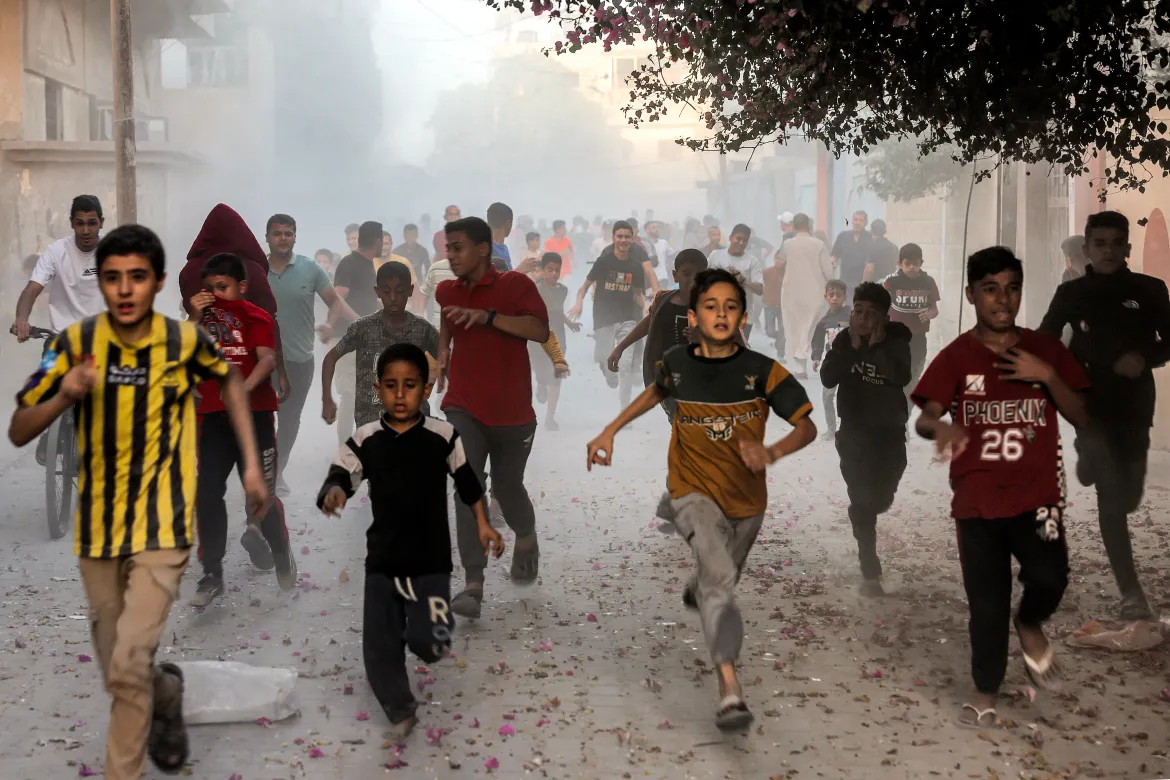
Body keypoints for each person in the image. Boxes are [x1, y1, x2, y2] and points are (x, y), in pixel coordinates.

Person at [10, 224, 270, 779]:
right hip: (99, 535)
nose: (125, 290)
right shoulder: (76, 344)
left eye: (137, 278)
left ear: (154, 285)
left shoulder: (183, 342)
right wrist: (64, 394)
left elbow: (231, 388)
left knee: (127, 662)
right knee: (118, 671)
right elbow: (18, 429)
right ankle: (166, 690)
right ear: (100, 284)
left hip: (162, 530)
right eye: (112, 278)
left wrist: (250, 468)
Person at [587, 268, 816, 730]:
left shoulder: (763, 371)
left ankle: (701, 583)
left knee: (719, 576)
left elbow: (807, 427)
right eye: (711, 306)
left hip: (748, 502)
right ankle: (729, 687)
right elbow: (657, 392)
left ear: (743, 317)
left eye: (730, 306)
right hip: (690, 491)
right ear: (693, 317)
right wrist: (610, 430)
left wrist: (770, 451)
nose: (721, 314)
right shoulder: (677, 362)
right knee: (719, 586)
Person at [913, 246, 1088, 728]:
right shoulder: (955, 357)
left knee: (1051, 577)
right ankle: (985, 688)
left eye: (1011, 288)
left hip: (1039, 500)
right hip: (977, 501)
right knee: (986, 602)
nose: (1002, 299)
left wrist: (1047, 375)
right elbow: (925, 417)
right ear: (971, 295)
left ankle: (1029, 622)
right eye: (990, 289)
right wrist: (942, 428)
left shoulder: (1046, 350)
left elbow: (1082, 414)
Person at [317, 343, 503, 739]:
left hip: (430, 562)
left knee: (430, 642)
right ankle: (399, 708)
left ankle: (418, 629)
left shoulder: (443, 436)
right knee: (379, 648)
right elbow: (343, 473)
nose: (400, 395)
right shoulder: (366, 438)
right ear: (376, 389)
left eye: (410, 385)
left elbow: (469, 483)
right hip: (383, 560)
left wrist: (483, 524)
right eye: (390, 386)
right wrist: (334, 492)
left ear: (426, 388)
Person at [1038, 211, 1170, 620]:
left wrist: (1144, 356)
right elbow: (1045, 340)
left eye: (1116, 243)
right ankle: (1131, 592)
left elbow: (1169, 342)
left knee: (1129, 495)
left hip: (1133, 404)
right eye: (1100, 243)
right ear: (1087, 250)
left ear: (1128, 248)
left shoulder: (1150, 290)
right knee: (1111, 501)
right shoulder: (1072, 293)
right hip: (1087, 405)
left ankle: (1091, 459)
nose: (1109, 250)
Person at [434, 216, 550, 619]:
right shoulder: (446, 289)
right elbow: (448, 322)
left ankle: (528, 536)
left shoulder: (516, 285)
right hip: (463, 403)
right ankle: (473, 583)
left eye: (458, 247)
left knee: (507, 487)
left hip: (513, 412)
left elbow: (538, 330)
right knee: (467, 485)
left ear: (483, 248)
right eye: (448, 248)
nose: (451, 255)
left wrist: (489, 317)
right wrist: (443, 355)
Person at [187, 253, 297, 605]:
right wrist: (192, 316)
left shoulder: (256, 316)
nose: (216, 294)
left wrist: (243, 390)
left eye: (223, 287)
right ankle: (211, 572)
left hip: (256, 417)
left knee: (260, 494)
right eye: (209, 288)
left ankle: (280, 549)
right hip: (214, 418)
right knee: (207, 492)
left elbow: (266, 358)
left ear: (242, 287)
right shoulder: (199, 321)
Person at [820, 282, 911, 596]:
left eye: (871, 313)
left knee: (881, 499)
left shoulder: (898, 342)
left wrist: (875, 348)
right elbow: (827, 377)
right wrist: (853, 352)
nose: (862, 318)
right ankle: (869, 567)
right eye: (858, 311)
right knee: (862, 501)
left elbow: (900, 376)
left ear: (884, 319)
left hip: (889, 433)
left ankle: (867, 510)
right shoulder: (844, 341)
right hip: (854, 434)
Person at [265, 214, 357, 495]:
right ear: (267, 237)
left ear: (295, 236)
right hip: (261, 359)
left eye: (288, 233)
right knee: (261, 417)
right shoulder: (255, 269)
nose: (283, 237)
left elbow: (335, 302)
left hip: (299, 359)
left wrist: (330, 324)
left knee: (290, 419)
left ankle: (277, 473)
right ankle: (262, 472)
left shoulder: (310, 268)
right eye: (277, 233)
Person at [323, 261, 440, 432]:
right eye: (386, 291)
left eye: (400, 291)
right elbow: (331, 358)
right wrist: (327, 398)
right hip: (371, 425)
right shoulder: (362, 328)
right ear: (378, 292)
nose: (393, 298)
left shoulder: (422, 329)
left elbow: (447, 360)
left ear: (410, 291)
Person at [568, 220, 648, 408]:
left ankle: (624, 410)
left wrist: (647, 307)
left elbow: (638, 295)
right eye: (619, 236)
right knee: (606, 359)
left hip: (628, 317)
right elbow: (584, 287)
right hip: (604, 318)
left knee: (626, 365)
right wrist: (579, 303)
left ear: (632, 239)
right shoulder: (604, 261)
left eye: (627, 237)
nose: (623, 240)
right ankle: (608, 371)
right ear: (613, 238)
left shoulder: (636, 266)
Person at [12, 194, 105, 341]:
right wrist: (21, 320)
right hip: (61, 340)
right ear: (72, 223)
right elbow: (31, 290)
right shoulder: (56, 252)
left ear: (101, 222)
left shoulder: (114, 250)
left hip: (104, 340)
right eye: (80, 223)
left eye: (92, 223)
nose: (86, 230)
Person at [329, 222, 384, 445]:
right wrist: (358, 322)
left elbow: (363, 298)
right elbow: (337, 298)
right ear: (378, 241)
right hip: (348, 338)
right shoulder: (350, 263)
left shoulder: (368, 264)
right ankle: (345, 445)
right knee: (350, 395)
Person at [883, 243, 940, 410]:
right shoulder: (891, 282)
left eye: (916, 263)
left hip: (918, 338)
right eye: (908, 264)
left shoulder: (928, 282)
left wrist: (929, 314)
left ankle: (903, 416)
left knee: (914, 379)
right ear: (900, 263)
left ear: (921, 263)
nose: (912, 267)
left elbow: (935, 309)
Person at [780, 213, 835, 378]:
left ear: (795, 226)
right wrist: (832, 287)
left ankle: (799, 367)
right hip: (815, 292)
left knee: (794, 327)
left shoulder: (787, 244)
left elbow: (782, 261)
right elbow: (828, 271)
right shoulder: (818, 244)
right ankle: (803, 360)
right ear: (809, 225)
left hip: (792, 292)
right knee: (810, 327)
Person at [530, 253, 577, 430]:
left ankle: (550, 418)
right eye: (550, 269)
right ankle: (541, 383)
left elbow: (557, 312)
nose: (554, 273)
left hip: (558, 337)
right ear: (542, 270)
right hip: (537, 337)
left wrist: (569, 323)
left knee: (557, 376)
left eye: (557, 270)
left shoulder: (563, 290)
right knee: (542, 373)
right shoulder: (536, 288)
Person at [707, 224, 764, 341]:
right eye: (738, 239)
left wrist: (743, 280)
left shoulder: (752, 261)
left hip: (743, 317)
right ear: (730, 238)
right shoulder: (715, 256)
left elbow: (760, 289)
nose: (741, 243)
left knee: (738, 354)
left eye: (745, 240)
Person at [811, 280, 849, 440]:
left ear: (844, 297)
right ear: (826, 297)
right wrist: (816, 357)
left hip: (851, 363)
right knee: (827, 396)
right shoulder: (823, 322)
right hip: (832, 363)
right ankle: (832, 430)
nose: (835, 298)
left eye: (838, 295)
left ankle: (849, 428)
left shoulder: (852, 316)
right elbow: (817, 342)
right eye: (831, 295)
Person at [831, 210, 873, 298]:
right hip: (844, 281)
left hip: (861, 282)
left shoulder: (869, 238)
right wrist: (833, 261)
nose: (858, 223)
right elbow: (834, 254)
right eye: (856, 220)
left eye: (861, 220)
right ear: (852, 221)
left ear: (866, 223)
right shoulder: (843, 236)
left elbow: (871, 262)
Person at [762, 247, 786, 358]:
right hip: (769, 304)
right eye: (776, 258)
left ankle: (780, 353)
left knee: (782, 329)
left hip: (783, 306)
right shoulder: (767, 272)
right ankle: (781, 340)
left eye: (781, 259)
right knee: (769, 331)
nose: (778, 261)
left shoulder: (789, 273)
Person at [645, 220, 675, 289]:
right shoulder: (644, 245)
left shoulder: (664, 243)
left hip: (663, 278)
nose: (656, 229)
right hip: (649, 281)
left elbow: (673, 255)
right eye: (653, 227)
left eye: (657, 227)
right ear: (647, 230)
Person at [487, 202, 515, 272]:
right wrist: (521, 270)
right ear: (508, 224)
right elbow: (494, 279)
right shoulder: (487, 249)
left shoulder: (504, 248)